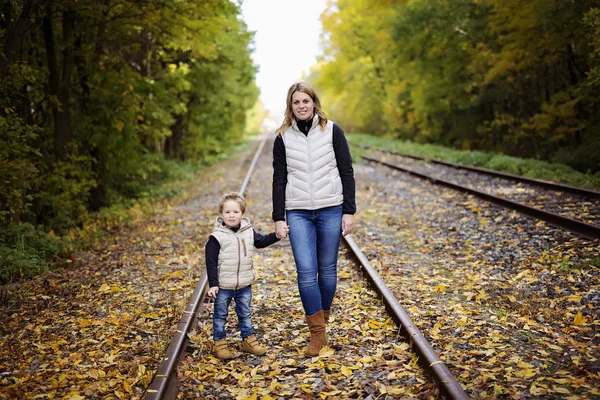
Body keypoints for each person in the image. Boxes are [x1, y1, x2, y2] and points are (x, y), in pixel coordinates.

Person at [272, 81, 356, 357]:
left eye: (305, 101)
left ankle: (322, 319)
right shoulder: (282, 137)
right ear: (291, 106)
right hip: (297, 212)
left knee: (328, 271)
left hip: (331, 207)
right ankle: (317, 334)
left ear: (314, 102)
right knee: (306, 271)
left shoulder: (332, 131)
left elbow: (346, 171)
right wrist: (278, 217)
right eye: (296, 102)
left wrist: (349, 210)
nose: (301, 106)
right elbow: (279, 178)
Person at [206, 191, 286, 360]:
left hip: (244, 284)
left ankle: (248, 341)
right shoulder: (216, 237)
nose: (231, 215)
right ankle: (220, 343)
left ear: (242, 214)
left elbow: (262, 241)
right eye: (227, 212)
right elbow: (211, 262)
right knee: (220, 315)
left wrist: (277, 236)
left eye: (235, 212)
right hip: (223, 287)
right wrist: (213, 284)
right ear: (221, 214)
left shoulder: (248, 231)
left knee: (245, 313)